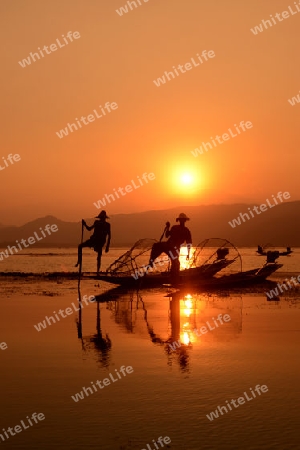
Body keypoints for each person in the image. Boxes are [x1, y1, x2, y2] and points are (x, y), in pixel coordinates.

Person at [148, 213, 192, 279]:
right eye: (181, 220)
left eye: (183, 220)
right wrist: (168, 227)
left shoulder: (186, 231)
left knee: (175, 263)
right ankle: (151, 261)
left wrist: (188, 254)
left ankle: (173, 276)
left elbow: (189, 243)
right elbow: (167, 235)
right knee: (156, 245)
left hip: (175, 249)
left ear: (185, 221)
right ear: (179, 220)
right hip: (168, 246)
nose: (182, 221)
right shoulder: (174, 227)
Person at [75, 210, 111, 275]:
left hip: (100, 242)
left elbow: (109, 236)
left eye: (103, 218)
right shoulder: (96, 222)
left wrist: (107, 246)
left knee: (99, 256)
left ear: (104, 218)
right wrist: (85, 224)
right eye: (101, 218)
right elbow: (89, 229)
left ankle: (98, 271)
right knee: (80, 246)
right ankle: (79, 261)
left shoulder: (107, 225)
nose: (102, 219)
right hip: (93, 240)